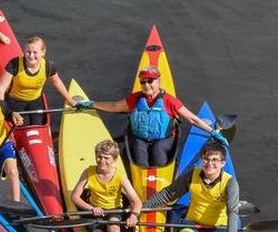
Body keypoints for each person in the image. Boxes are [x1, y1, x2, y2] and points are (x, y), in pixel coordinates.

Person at [82, 66, 223, 167]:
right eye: (143, 82)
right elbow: (113, 107)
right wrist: (92, 104)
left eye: (150, 81)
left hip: (163, 139)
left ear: (158, 82)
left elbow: (192, 119)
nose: (147, 85)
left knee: (159, 151)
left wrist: (212, 131)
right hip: (140, 138)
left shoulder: (169, 100)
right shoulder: (135, 99)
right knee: (137, 153)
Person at [144, 142, 240, 232]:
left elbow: (233, 212)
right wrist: (142, 207)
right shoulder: (192, 175)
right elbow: (168, 194)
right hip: (193, 225)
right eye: (206, 159)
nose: (209, 163)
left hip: (219, 229)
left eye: (215, 160)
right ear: (202, 160)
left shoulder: (230, 183)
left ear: (222, 163)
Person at [0, 35, 78, 126]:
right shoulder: (14, 65)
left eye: (35, 52)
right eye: (28, 52)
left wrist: (70, 100)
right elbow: (1, 89)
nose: (31, 56)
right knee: (24, 124)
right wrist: (4, 110)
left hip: (35, 101)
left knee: (38, 124)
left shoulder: (48, 66)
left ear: (43, 52)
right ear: (24, 51)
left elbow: (56, 82)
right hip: (15, 101)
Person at [68, 140, 143, 232]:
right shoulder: (88, 172)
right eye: (99, 157)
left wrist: (134, 216)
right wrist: (92, 208)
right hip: (93, 209)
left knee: (114, 228)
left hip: (114, 210)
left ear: (114, 159)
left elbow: (137, 201)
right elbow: (74, 197)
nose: (101, 161)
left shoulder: (120, 177)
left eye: (106, 158)